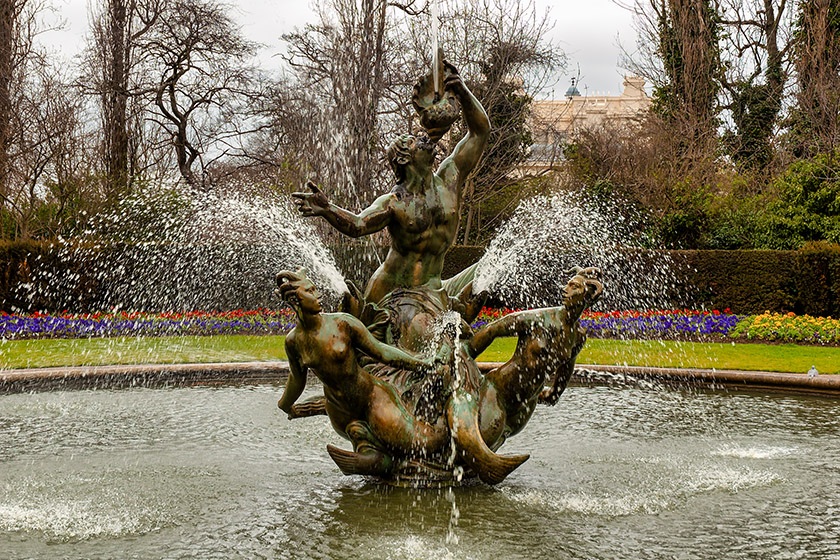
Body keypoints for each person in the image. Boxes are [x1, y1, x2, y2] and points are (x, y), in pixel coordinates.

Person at [292, 61, 489, 313]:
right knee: (419, 327)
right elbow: (358, 225)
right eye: (415, 141)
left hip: (433, 289)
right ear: (405, 159)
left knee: (489, 267)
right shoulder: (394, 202)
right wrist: (327, 208)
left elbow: (480, 132)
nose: (424, 138)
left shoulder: (450, 177)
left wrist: (463, 92)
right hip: (392, 292)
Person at [275, 269, 449, 476]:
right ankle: (375, 461)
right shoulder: (294, 342)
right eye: (310, 291)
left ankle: (448, 427)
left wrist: (421, 363)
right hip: (340, 411)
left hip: (371, 398)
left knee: (424, 443)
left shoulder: (342, 323)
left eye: (315, 289)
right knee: (366, 442)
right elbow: (297, 379)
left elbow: (381, 351)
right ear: (295, 300)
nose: (318, 295)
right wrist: (285, 404)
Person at [466, 269, 604, 448]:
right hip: (499, 391)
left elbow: (567, 365)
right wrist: (467, 355)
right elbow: (493, 329)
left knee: (494, 444)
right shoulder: (539, 319)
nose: (565, 289)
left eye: (574, 286)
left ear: (587, 296)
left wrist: (555, 392)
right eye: (568, 284)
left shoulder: (578, 335)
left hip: (527, 403)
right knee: (482, 441)